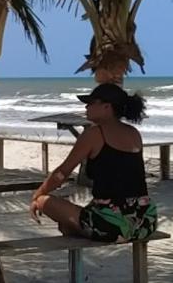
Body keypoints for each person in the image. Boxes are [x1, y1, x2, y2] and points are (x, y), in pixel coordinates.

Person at [29, 83, 158, 243]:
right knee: (74, 218)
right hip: (145, 222)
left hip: (113, 227)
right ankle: (73, 232)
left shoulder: (95, 134)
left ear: (106, 107)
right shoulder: (134, 133)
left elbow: (62, 173)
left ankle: (73, 239)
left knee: (44, 202)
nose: (86, 107)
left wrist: (37, 195)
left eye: (90, 103)